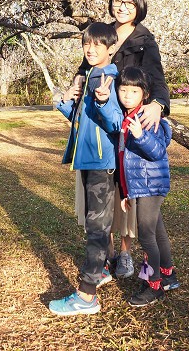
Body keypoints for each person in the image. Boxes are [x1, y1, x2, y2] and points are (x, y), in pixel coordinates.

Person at [75, 0, 170, 280]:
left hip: (127, 119)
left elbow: (155, 77)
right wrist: (77, 81)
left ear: (139, 5)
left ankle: (126, 254)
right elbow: (86, 65)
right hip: (101, 122)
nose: (122, 6)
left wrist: (158, 104)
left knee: (127, 187)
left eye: (129, 1)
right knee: (104, 192)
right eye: (118, 0)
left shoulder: (145, 39)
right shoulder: (102, 33)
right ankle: (108, 253)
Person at [49, 22, 122, 316]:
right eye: (86, 44)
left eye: (97, 45)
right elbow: (83, 122)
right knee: (96, 226)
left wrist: (104, 102)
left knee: (97, 227)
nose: (90, 50)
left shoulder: (107, 78)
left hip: (102, 164)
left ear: (110, 48)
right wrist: (65, 102)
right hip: (89, 160)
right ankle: (102, 269)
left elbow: (115, 122)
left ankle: (87, 296)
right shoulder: (91, 75)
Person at [95, 66, 177, 307]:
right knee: (158, 232)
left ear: (145, 93)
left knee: (147, 234)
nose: (128, 95)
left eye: (134, 91)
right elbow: (124, 160)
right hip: (140, 186)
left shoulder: (150, 118)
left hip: (152, 184)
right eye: (123, 90)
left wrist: (141, 135)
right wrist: (126, 191)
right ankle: (168, 274)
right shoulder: (126, 117)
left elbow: (157, 151)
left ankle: (154, 286)